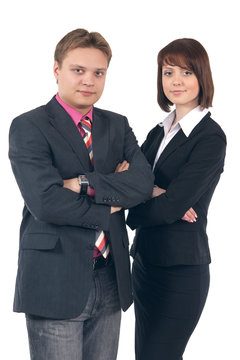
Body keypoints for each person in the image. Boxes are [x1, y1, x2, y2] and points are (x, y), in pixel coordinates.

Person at [9, 28, 154, 360]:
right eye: (78, 70)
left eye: (98, 73)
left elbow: (142, 184)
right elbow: (46, 202)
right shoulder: (29, 126)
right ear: (57, 69)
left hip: (111, 276)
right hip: (54, 279)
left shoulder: (116, 125)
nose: (89, 80)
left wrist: (82, 183)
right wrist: (113, 202)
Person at [127, 38, 226, 360]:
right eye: (168, 73)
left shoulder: (210, 138)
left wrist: (145, 202)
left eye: (186, 72)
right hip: (144, 263)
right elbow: (129, 182)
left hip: (181, 269)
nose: (176, 81)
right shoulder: (159, 130)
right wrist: (156, 193)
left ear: (202, 77)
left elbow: (170, 208)